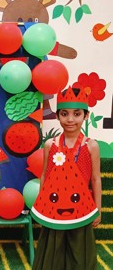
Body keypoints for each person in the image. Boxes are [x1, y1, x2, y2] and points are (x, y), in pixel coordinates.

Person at [32, 86, 101, 270]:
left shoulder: (91, 146)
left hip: (81, 207)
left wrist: (98, 209)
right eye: (64, 114)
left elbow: (95, 179)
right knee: (53, 249)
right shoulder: (50, 144)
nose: (70, 119)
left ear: (86, 116)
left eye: (77, 114)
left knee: (80, 251)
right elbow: (45, 175)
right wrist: (41, 206)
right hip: (54, 207)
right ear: (57, 116)